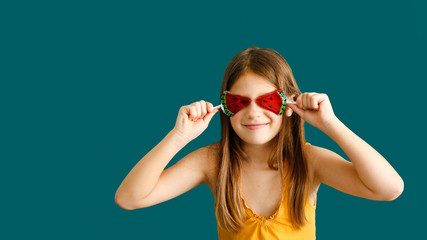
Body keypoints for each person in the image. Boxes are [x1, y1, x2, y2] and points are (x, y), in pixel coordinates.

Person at [115, 46, 404, 239]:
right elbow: (129, 198)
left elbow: (390, 188)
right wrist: (178, 137)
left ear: (288, 105)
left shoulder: (310, 161)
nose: (254, 112)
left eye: (267, 101)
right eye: (239, 102)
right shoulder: (212, 162)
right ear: (225, 108)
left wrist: (331, 124)